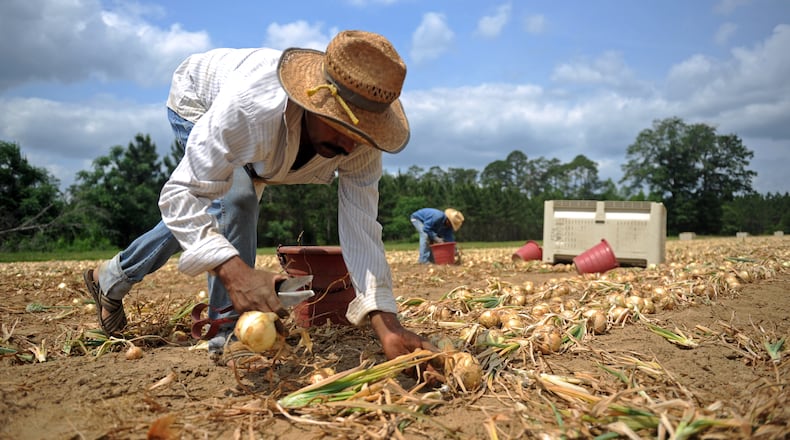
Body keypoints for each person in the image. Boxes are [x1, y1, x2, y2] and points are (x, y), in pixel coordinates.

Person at [82, 30, 438, 370]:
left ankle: (110, 277)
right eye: (339, 127)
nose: (348, 145)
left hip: (255, 140)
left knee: (215, 211)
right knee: (232, 199)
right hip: (198, 99)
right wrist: (238, 274)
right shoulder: (251, 106)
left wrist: (388, 327)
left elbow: (362, 225)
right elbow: (182, 193)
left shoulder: (359, 143)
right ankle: (231, 330)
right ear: (313, 100)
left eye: (359, 134)